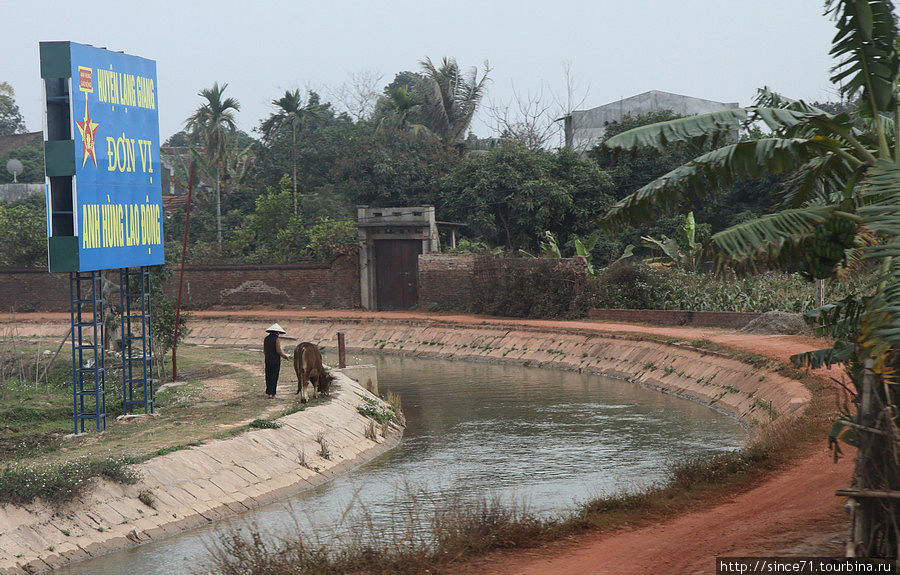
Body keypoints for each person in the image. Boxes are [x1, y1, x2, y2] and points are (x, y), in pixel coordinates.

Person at [263, 323, 290, 398]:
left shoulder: (266, 339)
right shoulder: (276, 339)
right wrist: (285, 356)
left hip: (268, 360)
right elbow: (278, 350)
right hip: (275, 360)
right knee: (274, 376)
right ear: (277, 332)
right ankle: (273, 394)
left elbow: (265, 350)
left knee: (268, 376)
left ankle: (269, 393)